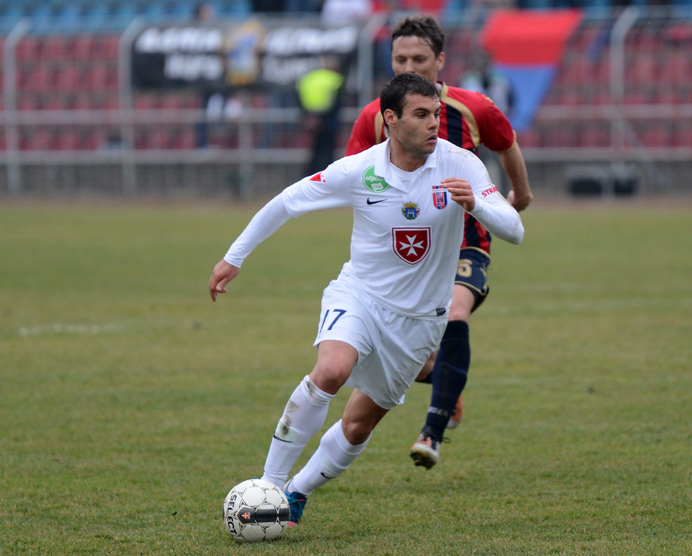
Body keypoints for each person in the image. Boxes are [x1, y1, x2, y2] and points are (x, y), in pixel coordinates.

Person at [208, 73, 524, 529]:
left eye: (436, 114)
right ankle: (269, 485)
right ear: (390, 119)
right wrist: (234, 257)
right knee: (331, 371)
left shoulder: (462, 164)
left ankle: (297, 491)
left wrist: (477, 204)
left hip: (420, 322)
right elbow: (288, 201)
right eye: (421, 114)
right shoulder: (360, 170)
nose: (433, 124)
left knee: (358, 425)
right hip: (360, 295)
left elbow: (514, 229)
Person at [345, 14, 533, 470]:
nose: (409, 66)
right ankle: (445, 381)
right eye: (400, 59)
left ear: (441, 60)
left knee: (455, 313)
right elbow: (353, 178)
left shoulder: (472, 107)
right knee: (404, 350)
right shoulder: (376, 116)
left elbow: (506, 143)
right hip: (407, 253)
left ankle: (432, 430)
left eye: (420, 58)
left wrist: (521, 195)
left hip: (468, 240)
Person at [297, 55, 346, 177]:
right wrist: (320, 117)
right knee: (327, 152)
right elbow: (335, 102)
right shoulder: (335, 79)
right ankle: (326, 177)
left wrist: (309, 116)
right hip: (328, 121)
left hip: (310, 119)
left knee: (314, 151)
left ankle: (310, 177)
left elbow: (299, 97)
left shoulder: (308, 78)